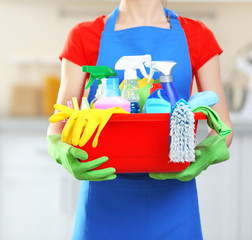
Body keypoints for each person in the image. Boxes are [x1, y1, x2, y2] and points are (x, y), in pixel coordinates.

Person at [47, 0, 234, 239]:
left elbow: (223, 125)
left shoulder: (197, 35)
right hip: (104, 199)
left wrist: (207, 152)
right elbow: (58, 125)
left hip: (174, 201)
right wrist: (61, 150)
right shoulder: (84, 36)